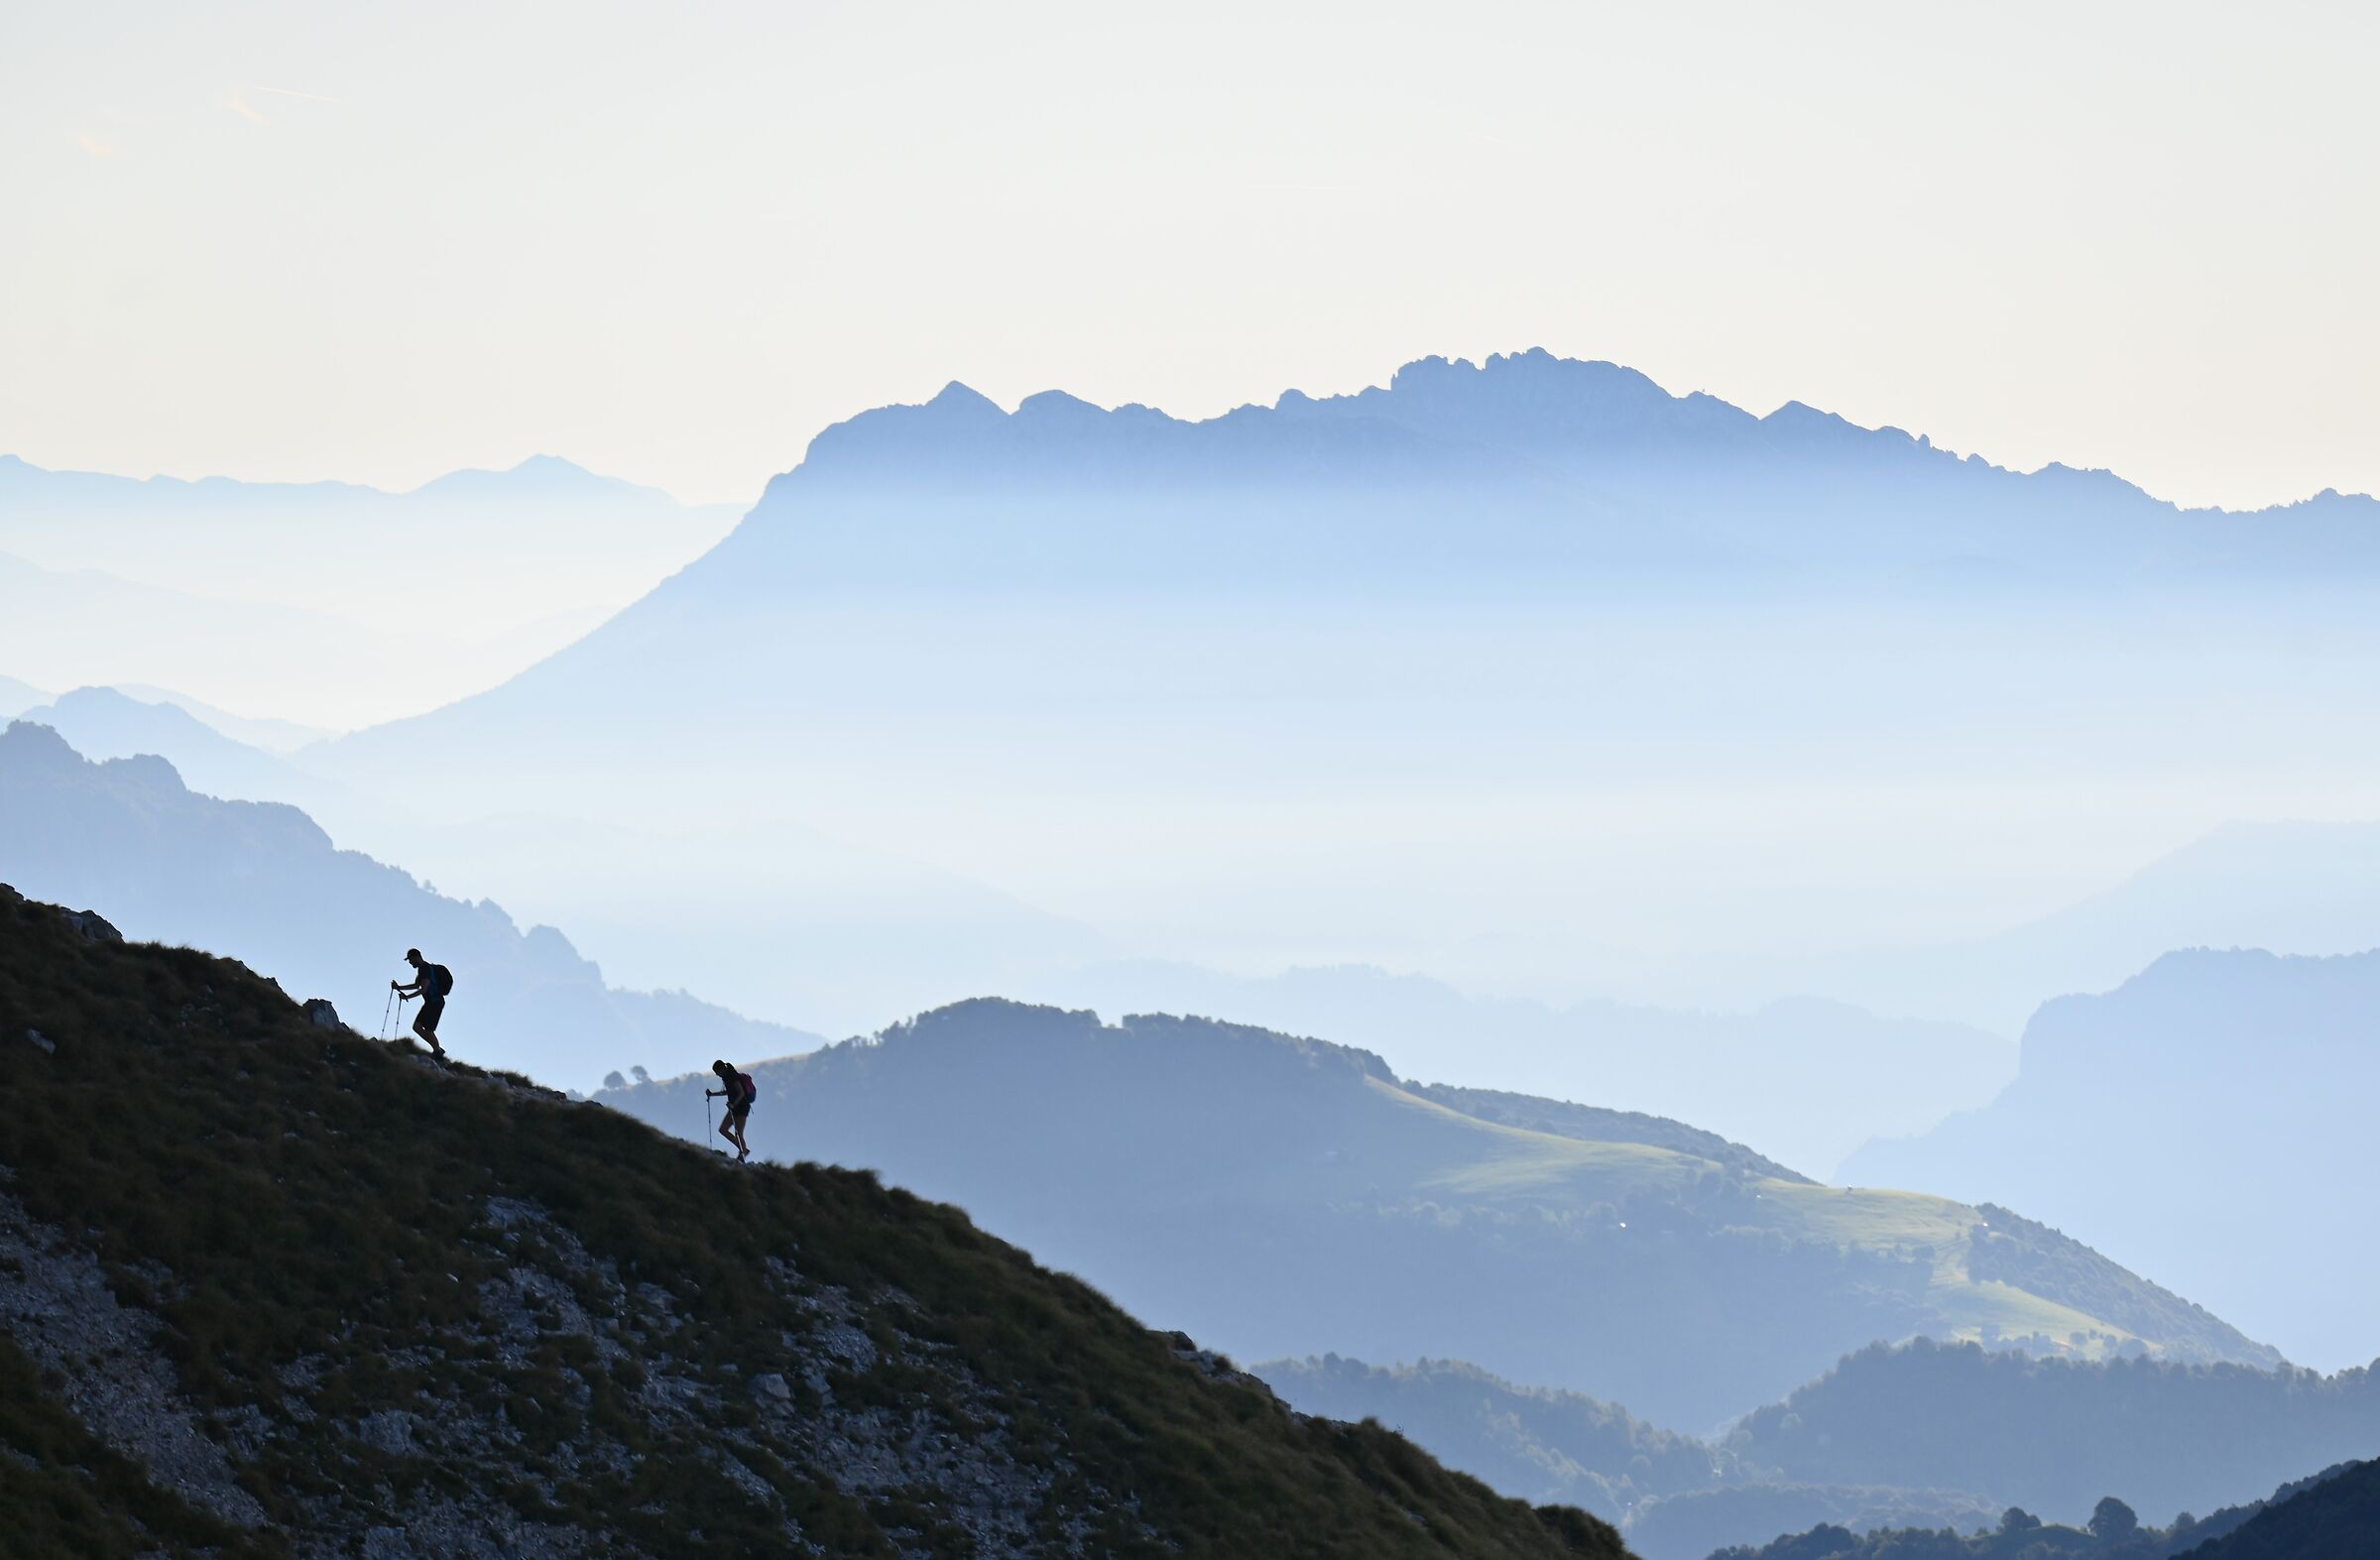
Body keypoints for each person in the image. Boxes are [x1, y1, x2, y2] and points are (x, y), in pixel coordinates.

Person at [391, 948, 454, 1060]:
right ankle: (437, 1049)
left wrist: (407, 997)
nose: (410, 962)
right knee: (417, 1027)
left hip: (435, 1002)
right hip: (430, 1003)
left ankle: (438, 1053)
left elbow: (423, 989)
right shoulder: (423, 970)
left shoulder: (425, 969)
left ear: (416, 957)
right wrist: (399, 987)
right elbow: (416, 985)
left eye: (410, 960)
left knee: (429, 1030)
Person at [707, 1059, 757, 1161]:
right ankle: (743, 1150)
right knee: (723, 1129)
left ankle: (742, 1154)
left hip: (741, 1107)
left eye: (717, 1072)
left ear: (721, 1070)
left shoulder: (732, 1077)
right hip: (733, 1107)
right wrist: (712, 1094)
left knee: (738, 1133)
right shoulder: (727, 1078)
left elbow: (741, 1093)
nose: (717, 1075)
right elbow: (728, 1092)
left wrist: (733, 1104)